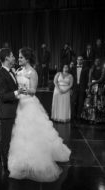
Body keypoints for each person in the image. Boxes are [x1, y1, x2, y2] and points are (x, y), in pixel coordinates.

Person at [8, 47, 71, 182]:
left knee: (31, 133)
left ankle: (35, 159)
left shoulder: (33, 72)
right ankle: (23, 159)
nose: (18, 59)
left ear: (27, 59)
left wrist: (21, 89)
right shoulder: (19, 71)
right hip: (20, 104)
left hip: (29, 104)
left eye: (20, 57)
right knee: (21, 134)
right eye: (18, 57)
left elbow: (33, 91)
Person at [0, 48, 20, 174]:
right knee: (6, 139)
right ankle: (6, 166)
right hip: (6, 111)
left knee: (5, 136)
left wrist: (19, 92)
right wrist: (17, 92)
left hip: (13, 109)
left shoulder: (12, 71)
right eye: (12, 55)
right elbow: (3, 96)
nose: (14, 57)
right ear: (6, 59)